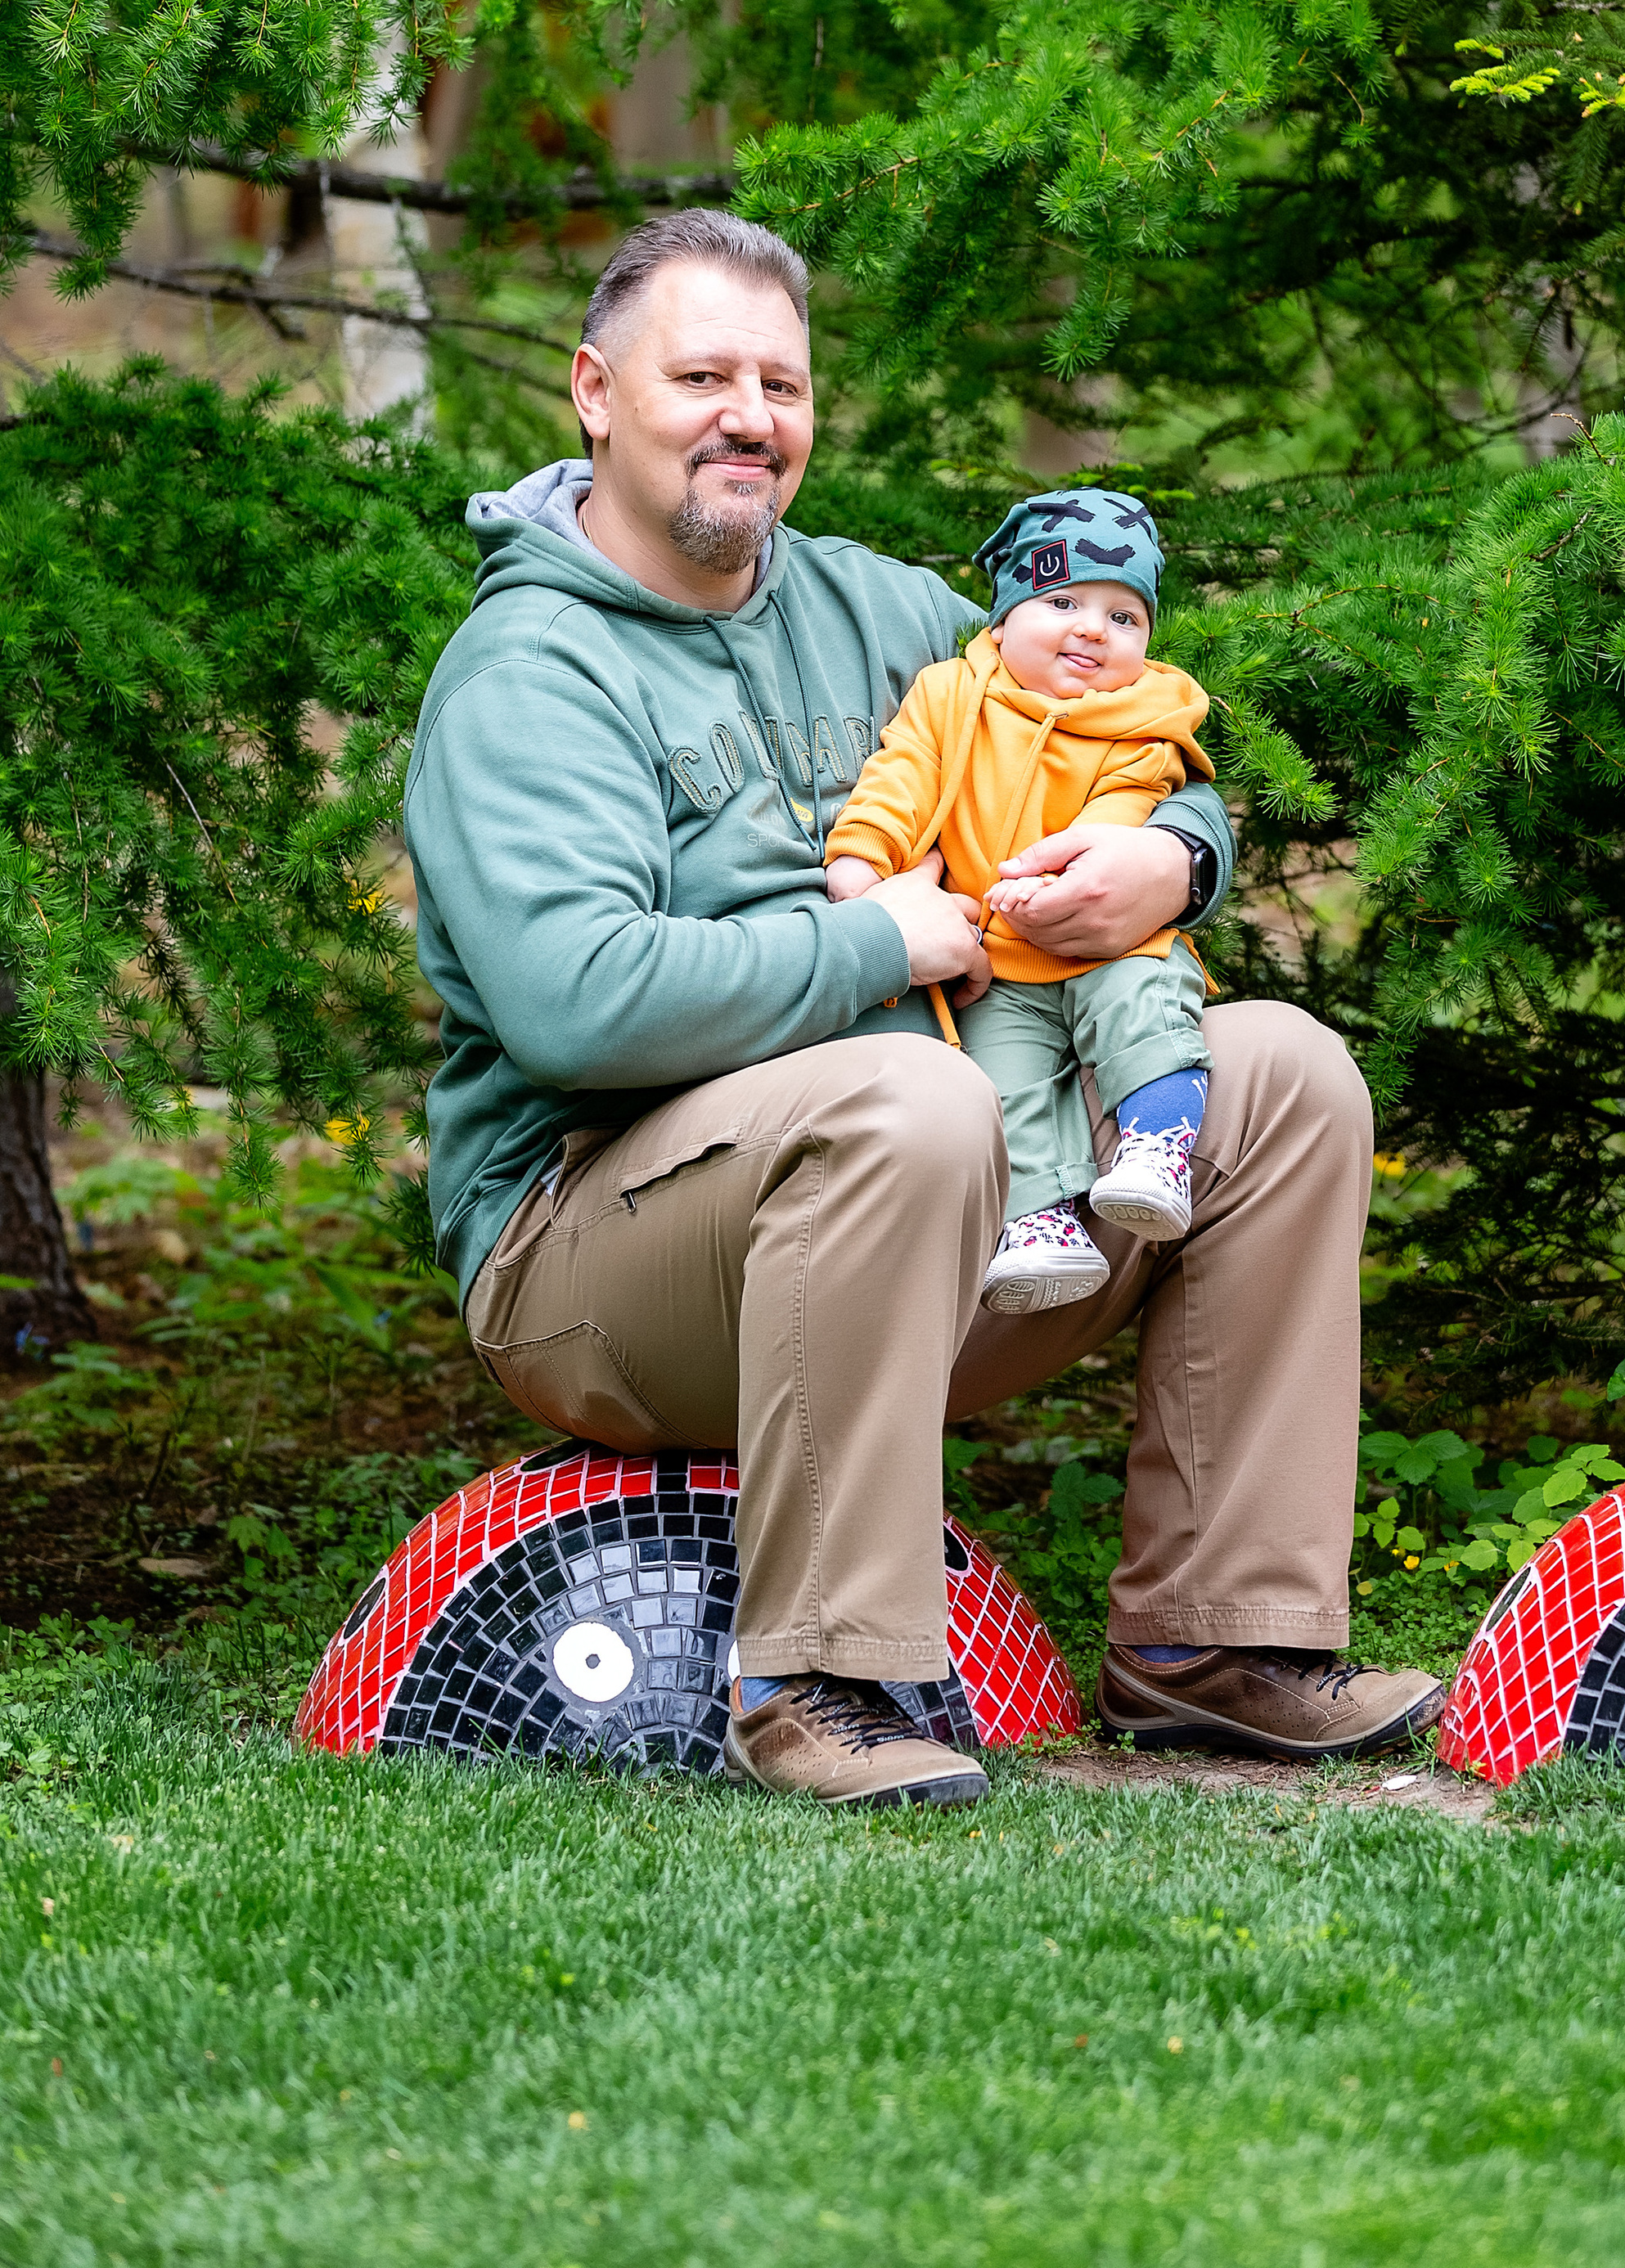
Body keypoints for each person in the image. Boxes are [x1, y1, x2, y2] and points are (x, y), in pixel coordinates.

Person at [403, 209, 1443, 1809]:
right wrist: (882, 946)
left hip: (936, 1221)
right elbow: (574, 1008)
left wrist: (1173, 860)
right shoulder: (528, 673)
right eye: (702, 374)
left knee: (1281, 1078)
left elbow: (1123, 724)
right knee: (914, 1098)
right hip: (589, 1263)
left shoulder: (876, 613)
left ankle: (1213, 1647)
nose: (750, 414)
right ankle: (821, 1675)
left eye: (782, 382)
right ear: (595, 394)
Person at [823, 486, 1215, 1317]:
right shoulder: (950, 695)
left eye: (1123, 618)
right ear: (1001, 620)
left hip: (1107, 935)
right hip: (998, 956)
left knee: (1147, 1011)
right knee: (1003, 1084)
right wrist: (861, 861)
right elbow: (900, 777)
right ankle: (1038, 1224)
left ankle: (1156, 1149)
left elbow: (1129, 805)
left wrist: (1074, 873)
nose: (1091, 630)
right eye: (1064, 601)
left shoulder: (1140, 717)